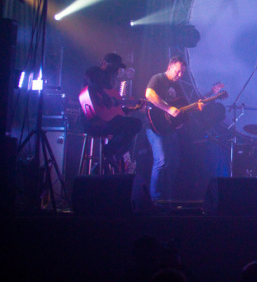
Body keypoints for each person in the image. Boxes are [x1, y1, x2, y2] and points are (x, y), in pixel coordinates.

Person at [144, 56, 204, 202]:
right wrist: (168, 108)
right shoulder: (158, 78)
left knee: (174, 161)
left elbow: (182, 107)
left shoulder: (177, 86)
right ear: (169, 67)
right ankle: (155, 199)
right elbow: (149, 94)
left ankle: (168, 197)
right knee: (162, 161)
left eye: (182, 72)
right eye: (177, 71)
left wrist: (196, 107)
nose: (180, 75)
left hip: (169, 128)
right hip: (154, 126)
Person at [81, 52, 142, 172]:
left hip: (107, 122)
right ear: (104, 63)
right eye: (114, 67)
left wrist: (133, 109)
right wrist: (105, 97)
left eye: (117, 68)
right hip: (93, 123)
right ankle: (109, 153)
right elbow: (93, 81)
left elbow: (116, 112)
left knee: (135, 125)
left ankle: (109, 158)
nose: (116, 71)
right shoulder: (94, 72)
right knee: (133, 126)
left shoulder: (111, 90)